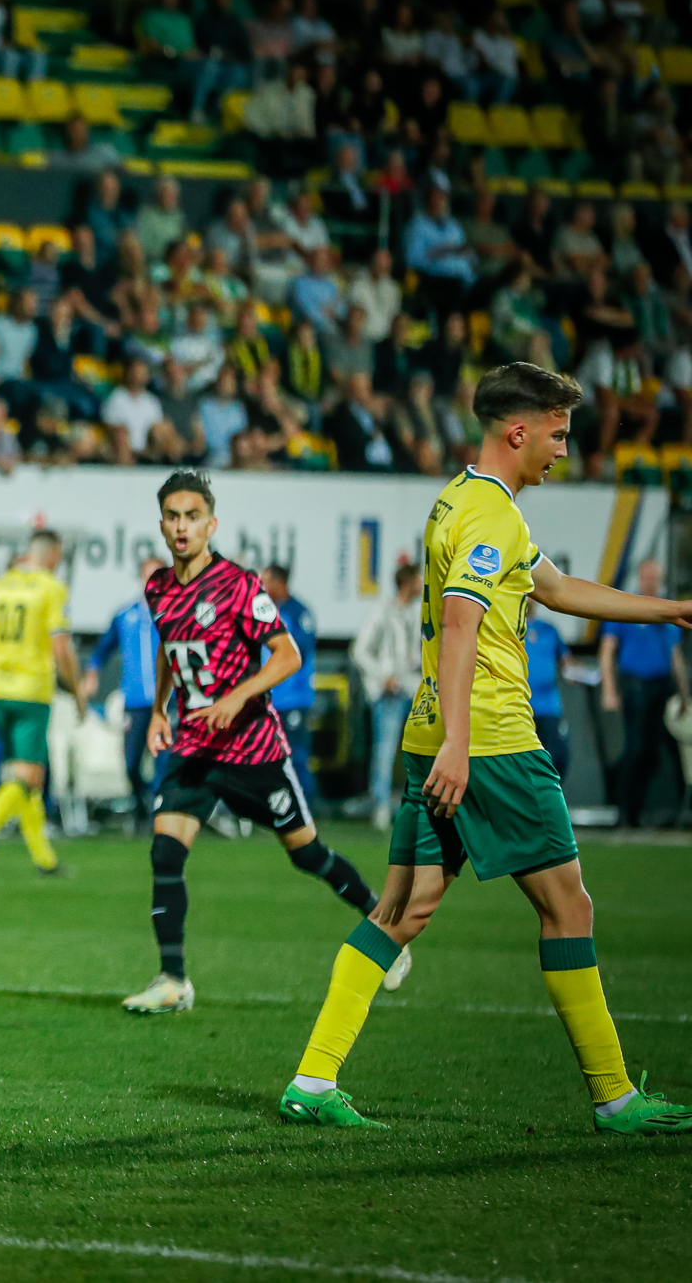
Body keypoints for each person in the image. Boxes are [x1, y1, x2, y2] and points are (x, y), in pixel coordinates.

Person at [279, 362, 692, 1135]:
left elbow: (555, 588)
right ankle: (615, 1097)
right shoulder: (491, 517)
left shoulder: (461, 502)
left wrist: (669, 608)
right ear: (519, 430)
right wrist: (462, 746)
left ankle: (312, 1078)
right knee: (569, 907)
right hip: (491, 742)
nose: (564, 450)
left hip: (430, 733)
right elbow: (462, 625)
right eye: (558, 434)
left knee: (401, 908)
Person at [127, 471, 398, 1015]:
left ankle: (386, 929)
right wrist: (159, 709)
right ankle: (173, 979)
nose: (182, 527)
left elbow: (287, 655)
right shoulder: (158, 587)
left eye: (192, 516)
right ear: (161, 524)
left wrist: (236, 698)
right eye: (173, 517)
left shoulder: (238, 584)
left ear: (211, 524)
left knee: (308, 854)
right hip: (194, 748)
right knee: (165, 851)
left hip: (253, 749)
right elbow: (168, 647)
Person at [0, 530, 81, 878]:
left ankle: (45, 860)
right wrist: (77, 690)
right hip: (32, 691)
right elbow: (61, 647)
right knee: (26, 775)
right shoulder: (51, 588)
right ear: (52, 554)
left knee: (31, 776)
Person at [598, 558, 679, 827]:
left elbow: (675, 655)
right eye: (647, 578)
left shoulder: (667, 610)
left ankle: (638, 812)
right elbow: (607, 650)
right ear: (640, 578)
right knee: (636, 747)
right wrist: (609, 690)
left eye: (655, 578)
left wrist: (684, 693)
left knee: (654, 752)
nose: (651, 583)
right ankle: (623, 811)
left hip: (662, 687)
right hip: (636, 686)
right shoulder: (628, 606)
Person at [85, 556, 163, 831]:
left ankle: (159, 816)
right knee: (130, 762)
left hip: (168, 702)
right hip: (135, 701)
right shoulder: (126, 615)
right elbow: (102, 649)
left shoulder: (176, 613)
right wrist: (92, 672)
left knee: (164, 761)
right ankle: (142, 807)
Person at [353, 562, 422, 829]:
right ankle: (381, 805)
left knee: (423, 749)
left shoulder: (417, 613)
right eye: (418, 580)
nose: (422, 585)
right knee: (385, 750)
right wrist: (383, 677)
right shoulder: (381, 612)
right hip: (388, 693)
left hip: (414, 688)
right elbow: (359, 651)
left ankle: (422, 804)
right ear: (407, 583)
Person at [262, 564, 320, 811]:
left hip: (293, 698)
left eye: (266, 581)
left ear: (280, 582)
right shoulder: (262, 611)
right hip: (266, 698)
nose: (262, 586)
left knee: (296, 755)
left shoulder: (298, 613)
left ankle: (306, 805)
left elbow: (300, 653)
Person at [525, 599, 573, 779]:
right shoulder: (505, 630)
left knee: (557, 757)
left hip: (549, 707)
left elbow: (567, 664)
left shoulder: (549, 629)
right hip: (518, 708)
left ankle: (551, 794)